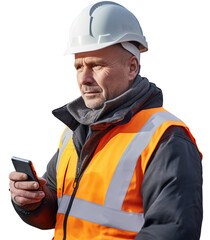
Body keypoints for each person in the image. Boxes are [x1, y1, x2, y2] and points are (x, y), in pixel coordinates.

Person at [9, 1, 203, 240]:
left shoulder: (166, 138)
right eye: (78, 66)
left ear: (132, 67)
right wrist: (32, 202)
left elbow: (172, 232)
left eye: (96, 65)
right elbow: (56, 209)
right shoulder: (75, 130)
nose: (84, 78)